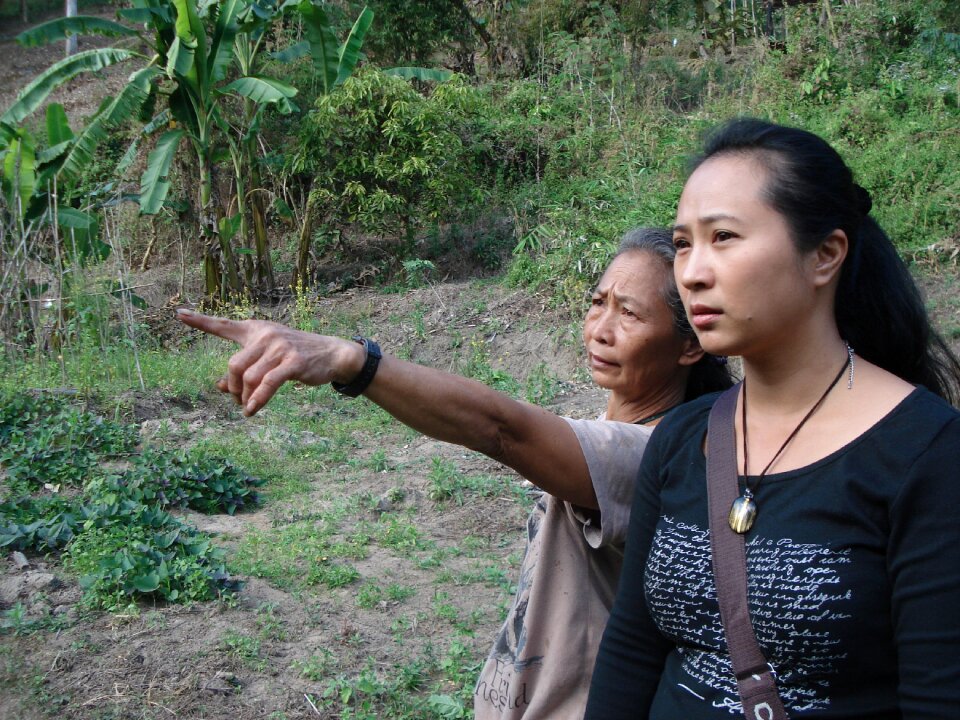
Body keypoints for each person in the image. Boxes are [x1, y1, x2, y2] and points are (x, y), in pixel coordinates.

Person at [176, 228, 733, 719]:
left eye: (629, 314)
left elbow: (500, 428)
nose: (600, 329)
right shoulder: (634, 434)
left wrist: (354, 362)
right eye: (596, 303)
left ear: (690, 345)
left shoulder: (659, 454)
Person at [584, 119, 960, 719]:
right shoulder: (684, 438)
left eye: (724, 237)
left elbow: (938, 697)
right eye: (683, 244)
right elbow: (633, 649)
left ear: (825, 256)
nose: (692, 272)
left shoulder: (926, 453)